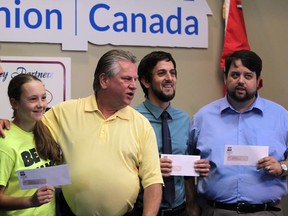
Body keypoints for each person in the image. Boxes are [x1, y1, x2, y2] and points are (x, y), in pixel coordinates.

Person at [0, 49, 164, 216]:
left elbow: (153, 181)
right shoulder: (66, 112)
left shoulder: (141, 124)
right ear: (104, 80)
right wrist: (4, 122)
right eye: (126, 79)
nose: (134, 85)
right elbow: (26, 124)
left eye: (135, 80)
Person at [187, 50, 288, 216]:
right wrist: (190, 205)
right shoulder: (203, 118)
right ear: (226, 77)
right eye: (235, 75)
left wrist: (282, 166)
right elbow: (188, 167)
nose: (241, 81)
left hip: (265, 212)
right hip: (216, 211)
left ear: (258, 80)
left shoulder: (281, 117)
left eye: (248, 76)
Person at [133, 51, 210, 216]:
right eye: (162, 73)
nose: (170, 78)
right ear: (145, 81)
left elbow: (186, 170)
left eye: (172, 73)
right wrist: (149, 169)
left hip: (179, 210)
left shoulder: (183, 119)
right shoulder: (132, 118)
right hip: (142, 210)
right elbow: (121, 166)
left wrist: (196, 167)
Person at [0, 74, 62, 216]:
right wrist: (30, 201)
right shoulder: (4, 142)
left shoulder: (47, 130)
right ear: (14, 103)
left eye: (43, 97)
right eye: (33, 99)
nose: (41, 104)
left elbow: (39, 177)